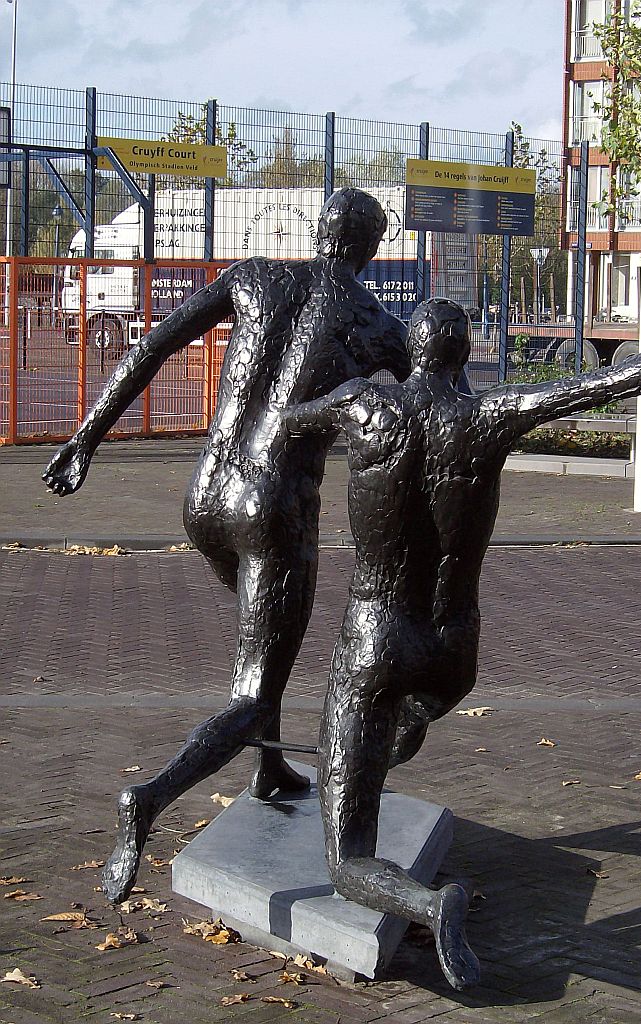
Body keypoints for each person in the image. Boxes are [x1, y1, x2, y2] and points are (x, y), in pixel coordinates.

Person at [282, 298, 641, 991]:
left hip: (375, 636)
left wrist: (323, 394)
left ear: (411, 351)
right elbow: (628, 378)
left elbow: (286, 419)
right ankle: (381, 742)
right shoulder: (489, 414)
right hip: (452, 651)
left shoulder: (364, 404)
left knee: (347, 855)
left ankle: (426, 900)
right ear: (461, 355)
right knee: (395, 726)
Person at [42, 188, 412, 904]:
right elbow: (429, 412)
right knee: (254, 683)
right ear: (370, 248)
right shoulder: (377, 324)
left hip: (205, 495)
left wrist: (85, 437)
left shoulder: (255, 275)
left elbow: (153, 344)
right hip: (272, 506)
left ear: (319, 231)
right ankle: (148, 799)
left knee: (259, 633)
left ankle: (269, 769)